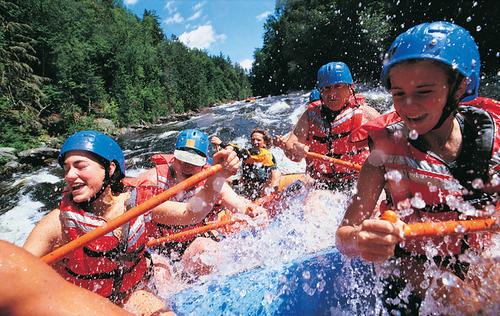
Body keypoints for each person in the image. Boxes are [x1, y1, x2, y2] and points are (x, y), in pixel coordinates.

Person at [336, 21, 500, 314]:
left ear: (459, 86)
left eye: (423, 91)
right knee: (463, 302)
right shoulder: (384, 151)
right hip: (411, 263)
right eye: (399, 93)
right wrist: (361, 239)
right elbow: (344, 234)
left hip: (478, 255)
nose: (409, 105)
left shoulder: (493, 139)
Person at [22, 130, 239, 314]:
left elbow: (190, 212)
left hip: (130, 295)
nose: (70, 175)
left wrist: (218, 176)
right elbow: (14, 275)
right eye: (67, 168)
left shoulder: (137, 202)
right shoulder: (55, 224)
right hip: (83, 307)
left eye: (80, 166)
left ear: (110, 169)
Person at [131, 129, 267, 273]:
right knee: (158, 271)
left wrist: (254, 212)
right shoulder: (152, 180)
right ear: (174, 157)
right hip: (158, 246)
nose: (187, 166)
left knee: (207, 251)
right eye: (183, 159)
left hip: (193, 242)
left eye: (193, 162)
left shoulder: (211, 180)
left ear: (203, 164)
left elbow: (240, 205)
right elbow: (188, 213)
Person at [281, 61, 380, 190]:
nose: (332, 94)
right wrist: (295, 149)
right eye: (327, 88)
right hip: (321, 184)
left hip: (358, 181)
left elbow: (393, 149)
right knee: (312, 208)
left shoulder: (367, 114)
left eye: (338, 86)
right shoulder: (309, 116)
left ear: (351, 88)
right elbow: (291, 145)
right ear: (320, 91)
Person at [211, 128, 282, 200]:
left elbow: (275, 174)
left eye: (258, 140)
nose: (255, 142)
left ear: (265, 143)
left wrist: (221, 144)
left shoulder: (266, 155)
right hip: (247, 188)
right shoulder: (251, 152)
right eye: (253, 139)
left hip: (260, 191)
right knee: (222, 180)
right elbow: (244, 178)